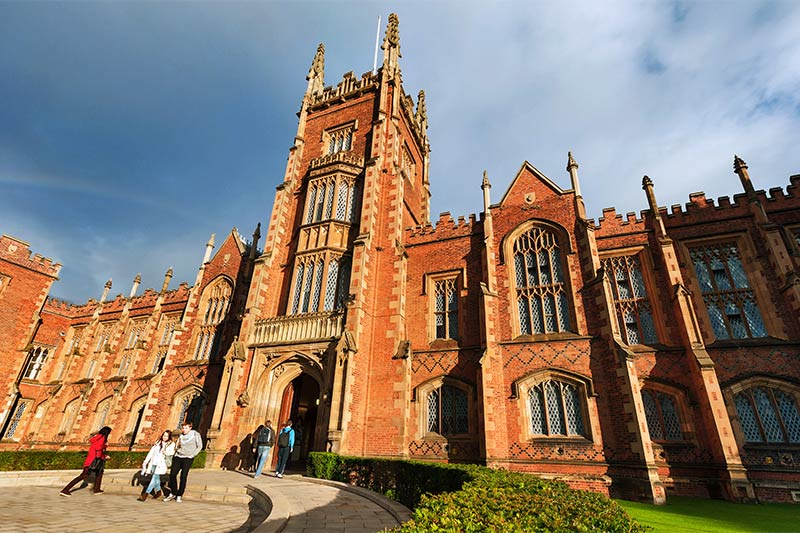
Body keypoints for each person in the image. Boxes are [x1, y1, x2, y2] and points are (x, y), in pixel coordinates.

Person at [60, 426, 111, 496]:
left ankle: (97, 489)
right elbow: (98, 448)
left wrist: (104, 455)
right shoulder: (101, 439)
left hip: (92, 461)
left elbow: (98, 450)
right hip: (93, 462)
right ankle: (65, 490)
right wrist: (105, 446)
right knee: (83, 476)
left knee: (99, 474)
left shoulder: (97, 438)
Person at [164, 422, 202, 502]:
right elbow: (177, 445)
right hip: (178, 456)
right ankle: (173, 492)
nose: (184, 430)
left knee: (183, 476)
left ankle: (179, 494)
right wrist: (176, 450)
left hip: (188, 458)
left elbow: (199, 446)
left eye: (186, 428)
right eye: (183, 428)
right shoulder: (181, 435)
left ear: (190, 428)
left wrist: (193, 455)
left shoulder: (195, 434)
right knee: (172, 474)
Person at [138, 430, 175, 501]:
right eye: (164, 435)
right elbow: (151, 452)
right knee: (156, 479)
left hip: (161, 464)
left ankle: (145, 494)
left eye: (167, 436)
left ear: (169, 437)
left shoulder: (171, 444)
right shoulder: (158, 442)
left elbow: (172, 453)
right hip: (154, 463)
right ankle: (158, 492)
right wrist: (146, 461)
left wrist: (165, 452)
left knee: (153, 479)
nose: (165, 437)